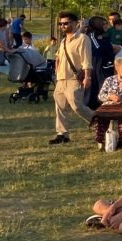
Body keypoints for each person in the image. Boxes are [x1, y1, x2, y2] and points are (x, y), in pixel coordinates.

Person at [49, 12, 94, 145]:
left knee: (77, 106)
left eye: (66, 23)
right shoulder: (63, 40)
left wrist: (87, 77)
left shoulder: (82, 39)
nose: (63, 26)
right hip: (61, 79)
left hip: (74, 79)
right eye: (61, 23)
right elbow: (58, 57)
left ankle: (99, 123)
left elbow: (87, 60)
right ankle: (62, 134)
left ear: (75, 23)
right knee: (60, 107)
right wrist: (56, 72)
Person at [91, 56, 122, 149]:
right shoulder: (109, 80)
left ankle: (121, 140)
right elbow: (100, 95)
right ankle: (101, 140)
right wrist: (110, 97)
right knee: (99, 114)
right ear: (117, 68)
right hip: (109, 105)